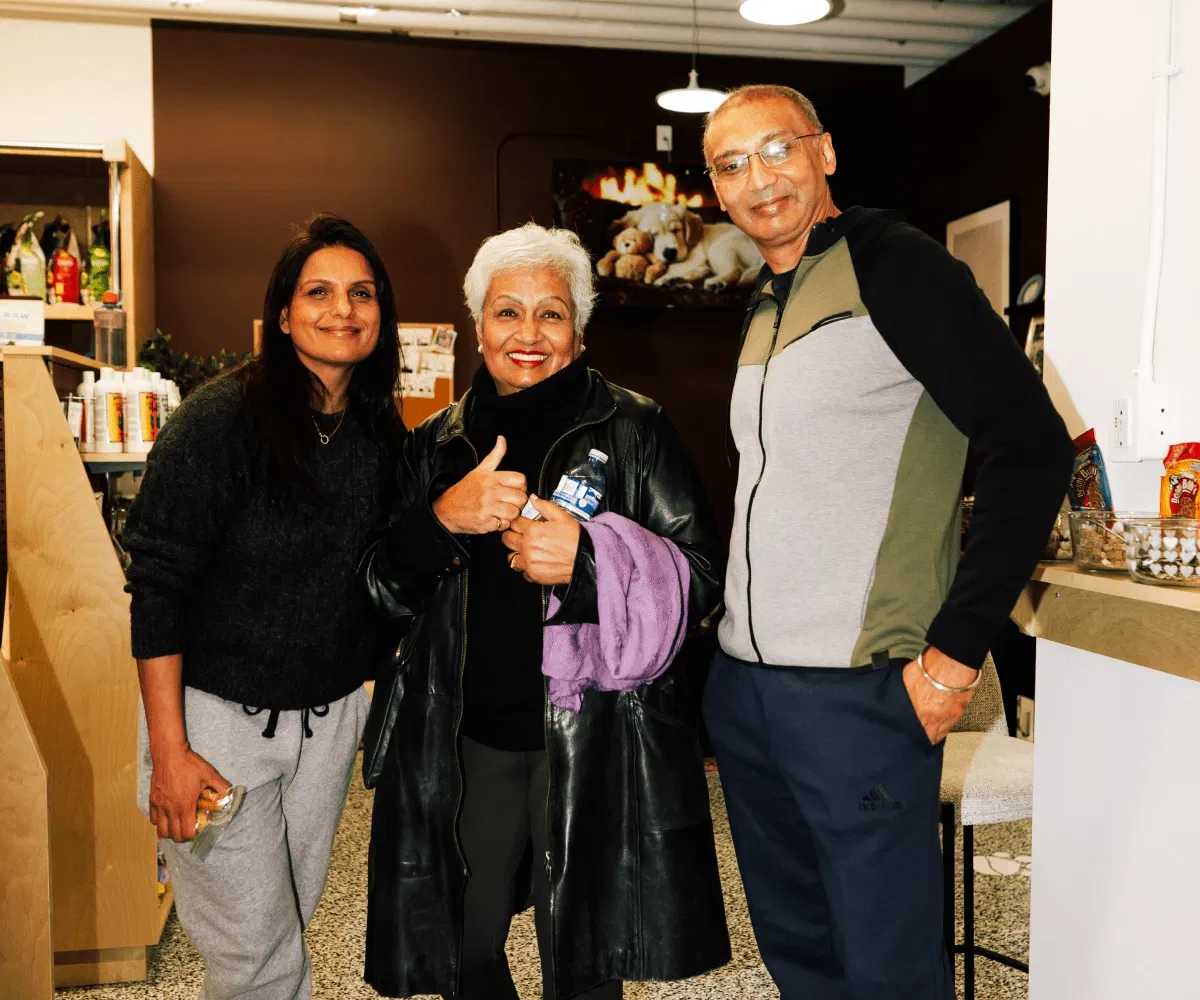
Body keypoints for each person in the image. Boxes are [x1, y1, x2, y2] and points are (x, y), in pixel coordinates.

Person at [699, 85, 1073, 999]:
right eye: (732, 164)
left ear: (825, 153)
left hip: (860, 695)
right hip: (748, 692)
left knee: (888, 972)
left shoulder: (894, 264)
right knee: (802, 958)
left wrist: (954, 659)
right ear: (715, 191)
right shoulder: (764, 300)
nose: (761, 178)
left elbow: (1031, 449)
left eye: (779, 149)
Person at [358, 223, 730, 1000]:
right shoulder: (433, 444)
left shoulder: (635, 428)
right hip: (468, 743)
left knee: (584, 957)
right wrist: (443, 521)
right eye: (507, 312)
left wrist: (589, 565)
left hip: (596, 744)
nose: (528, 334)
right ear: (478, 323)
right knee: (465, 946)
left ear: (580, 328)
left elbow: (704, 579)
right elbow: (380, 588)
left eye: (551, 313)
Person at [126, 215, 407, 1000]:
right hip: (215, 726)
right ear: (282, 314)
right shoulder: (220, 422)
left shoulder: (379, 428)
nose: (342, 309)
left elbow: (383, 576)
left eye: (362, 292)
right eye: (318, 291)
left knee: (280, 928)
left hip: (325, 726)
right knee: (259, 959)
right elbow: (157, 587)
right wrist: (169, 753)